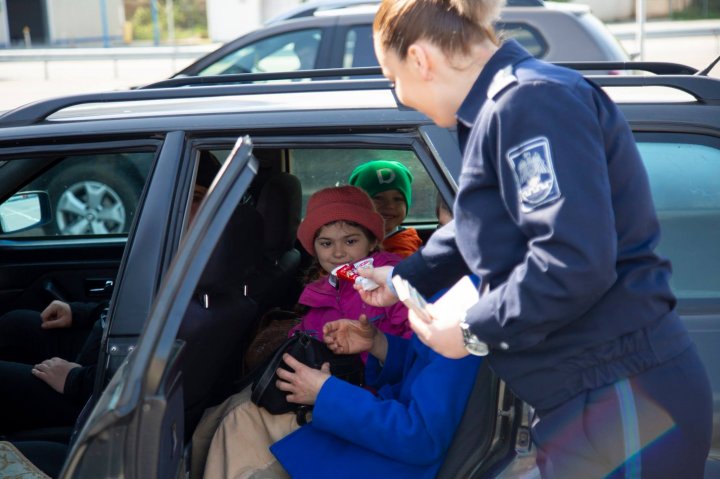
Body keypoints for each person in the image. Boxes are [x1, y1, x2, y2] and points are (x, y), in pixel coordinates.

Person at [354, 1, 713, 478]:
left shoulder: (529, 103)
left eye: (392, 77)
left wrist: (470, 331)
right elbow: (487, 222)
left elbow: (572, 261)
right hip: (592, 398)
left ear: (420, 60)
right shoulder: (506, 105)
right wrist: (404, 275)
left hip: (620, 396)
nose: (398, 93)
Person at [0, 154, 220, 438]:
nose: (177, 205)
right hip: (99, 358)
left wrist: (75, 380)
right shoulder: (181, 252)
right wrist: (78, 311)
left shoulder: (203, 278)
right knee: (17, 324)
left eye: (196, 196)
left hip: (95, 397)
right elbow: (136, 314)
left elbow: (150, 369)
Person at [202, 309, 482, 479]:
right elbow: (429, 366)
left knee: (242, 419)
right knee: (242, 411)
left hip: (399, 462)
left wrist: (325, 393)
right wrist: (379, 344)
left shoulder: (463, 316)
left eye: (448, 228)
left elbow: (419, 437)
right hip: (389, 432)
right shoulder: (467, 299)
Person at [287, 185, 411, 342]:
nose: (338, 253)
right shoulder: (320, 290)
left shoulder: (390, 278)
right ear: (315, 248)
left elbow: (421, 340)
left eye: (350, 241)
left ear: (372, 242)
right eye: (326, 244)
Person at [349, 160, 422, 257]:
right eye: (378, 198)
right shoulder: (345, 235)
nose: (390, 205)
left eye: (398, 199)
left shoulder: (404, 250)